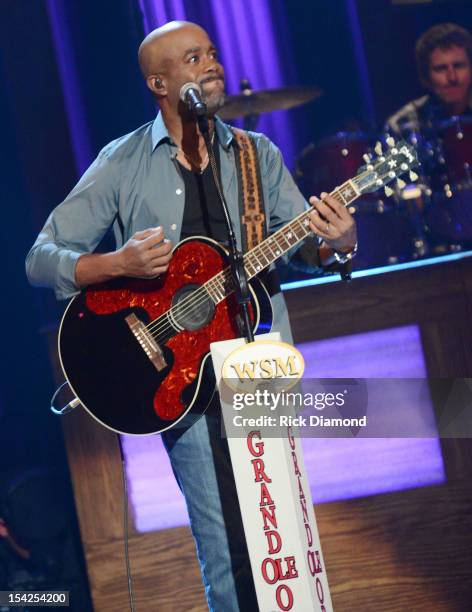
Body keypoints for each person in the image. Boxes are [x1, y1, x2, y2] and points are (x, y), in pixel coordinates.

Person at [26, 21, 357, 611]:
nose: (212, 65)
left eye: (211, 53)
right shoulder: (123, 162)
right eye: (192, 58)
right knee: (224, 549)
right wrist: (115, 263)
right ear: (159, 82)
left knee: (280, 534)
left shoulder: (258, 156)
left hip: (259, 366)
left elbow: (305, 245)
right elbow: (40, 258)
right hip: (173, 377)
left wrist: (338, 242)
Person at [386, 22, 472, 135]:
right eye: (441, 69)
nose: (452, 77)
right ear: (425, 76)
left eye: (458, 66)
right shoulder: (401, 125)